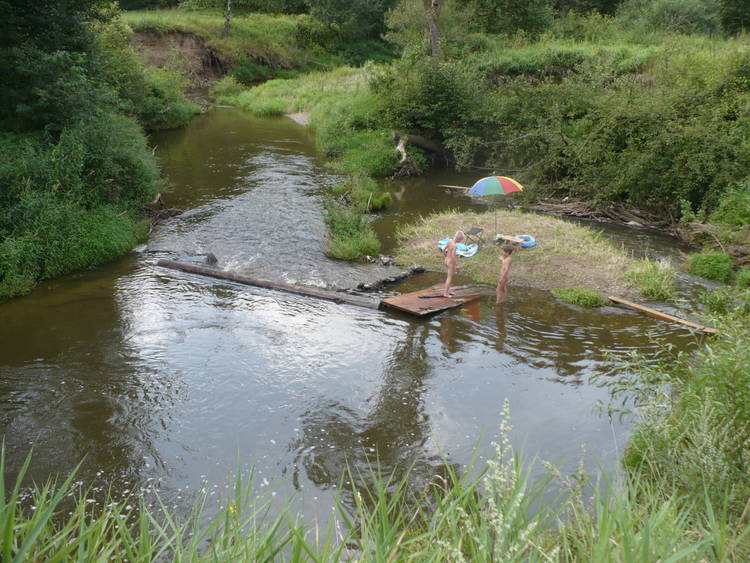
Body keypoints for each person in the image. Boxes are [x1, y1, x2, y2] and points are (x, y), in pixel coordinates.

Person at [442, 230, 464, 298]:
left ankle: (449, 291)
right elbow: (453, 256)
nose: (460, 241)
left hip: (446, 260)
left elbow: (443, 249)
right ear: (458, 239)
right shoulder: (454, 246)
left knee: (449, 276)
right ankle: (445, 293)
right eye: (460, 240)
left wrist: (446, 256)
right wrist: (456, 264)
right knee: (449, 278)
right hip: (450, 262)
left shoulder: (449, 242)